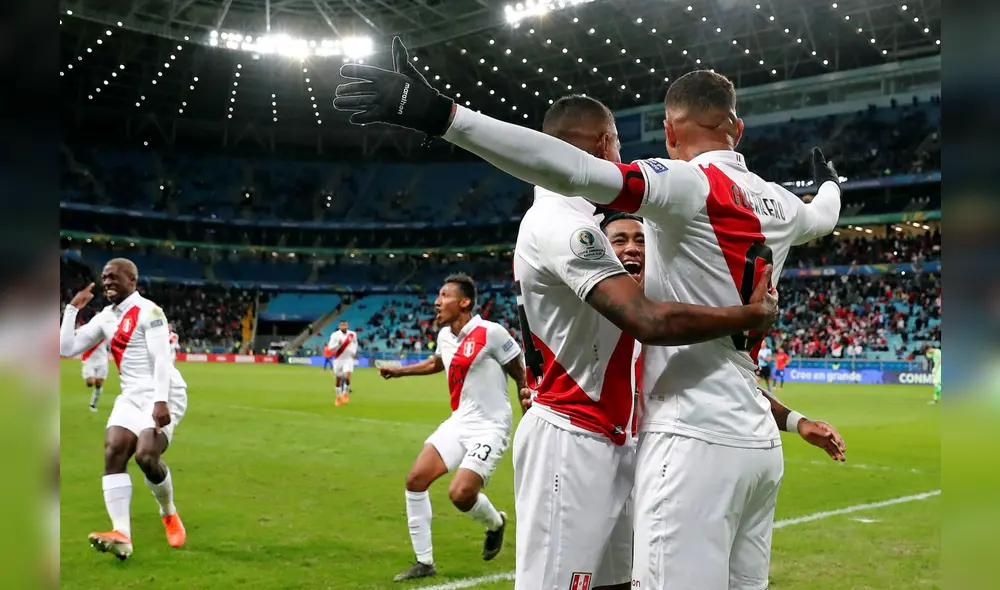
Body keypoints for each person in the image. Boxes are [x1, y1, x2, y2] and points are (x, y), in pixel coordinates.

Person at [334, 49, 845, 590]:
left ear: (670, 133)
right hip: (586, 435)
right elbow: (824, 215)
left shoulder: (676, 194)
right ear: (737, 128)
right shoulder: (778, 207)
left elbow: (574, 171)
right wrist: (831, 183)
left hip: (659, 436)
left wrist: (448, 118)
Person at [377, 274, 525, 582]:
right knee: (415, 480)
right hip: (460, 421)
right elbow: (436, 363)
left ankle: (495, 524)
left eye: (444, 295)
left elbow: (519, 372)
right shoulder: (445, 335)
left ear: (465, 302)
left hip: (491, 426)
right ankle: (424, 562)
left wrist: (529, 404)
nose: (437, 302)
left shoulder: (491, 333)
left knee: (460, 495)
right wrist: (400, 372)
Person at [59, 258, 188, 560]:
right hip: (131, 396)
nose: (107, 282)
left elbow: (160, 360)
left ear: (132, 279)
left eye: (114, 277)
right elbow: (66, 348)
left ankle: (168, 513)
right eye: (104, 278)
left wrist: (160, 401)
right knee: (114, 449)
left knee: (146, 456)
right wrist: (71, 310)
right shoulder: (105, 317)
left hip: (165, 391)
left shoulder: (150, 311)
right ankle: (122, 535)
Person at [327, 320, 358, 405]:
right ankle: (338, 397)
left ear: (347, 325)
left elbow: (355, 343)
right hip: (338, 359)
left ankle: (345, 394)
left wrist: (354, 352)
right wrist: (337, 344)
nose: (344, 326)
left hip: (348, 359)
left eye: (345, 325)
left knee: (347, 376)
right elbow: (330, 348)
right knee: (338, 379)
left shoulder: (352, 334)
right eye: (342, 325)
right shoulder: (335, 335)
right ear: (339, 326)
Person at [81, 337, 110, 412]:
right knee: (90, 382)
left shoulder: (105, 333)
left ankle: (92, 404)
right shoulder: (87, 334)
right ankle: (89, 382)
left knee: (98, 384)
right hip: (89, 361)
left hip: (102, 361)